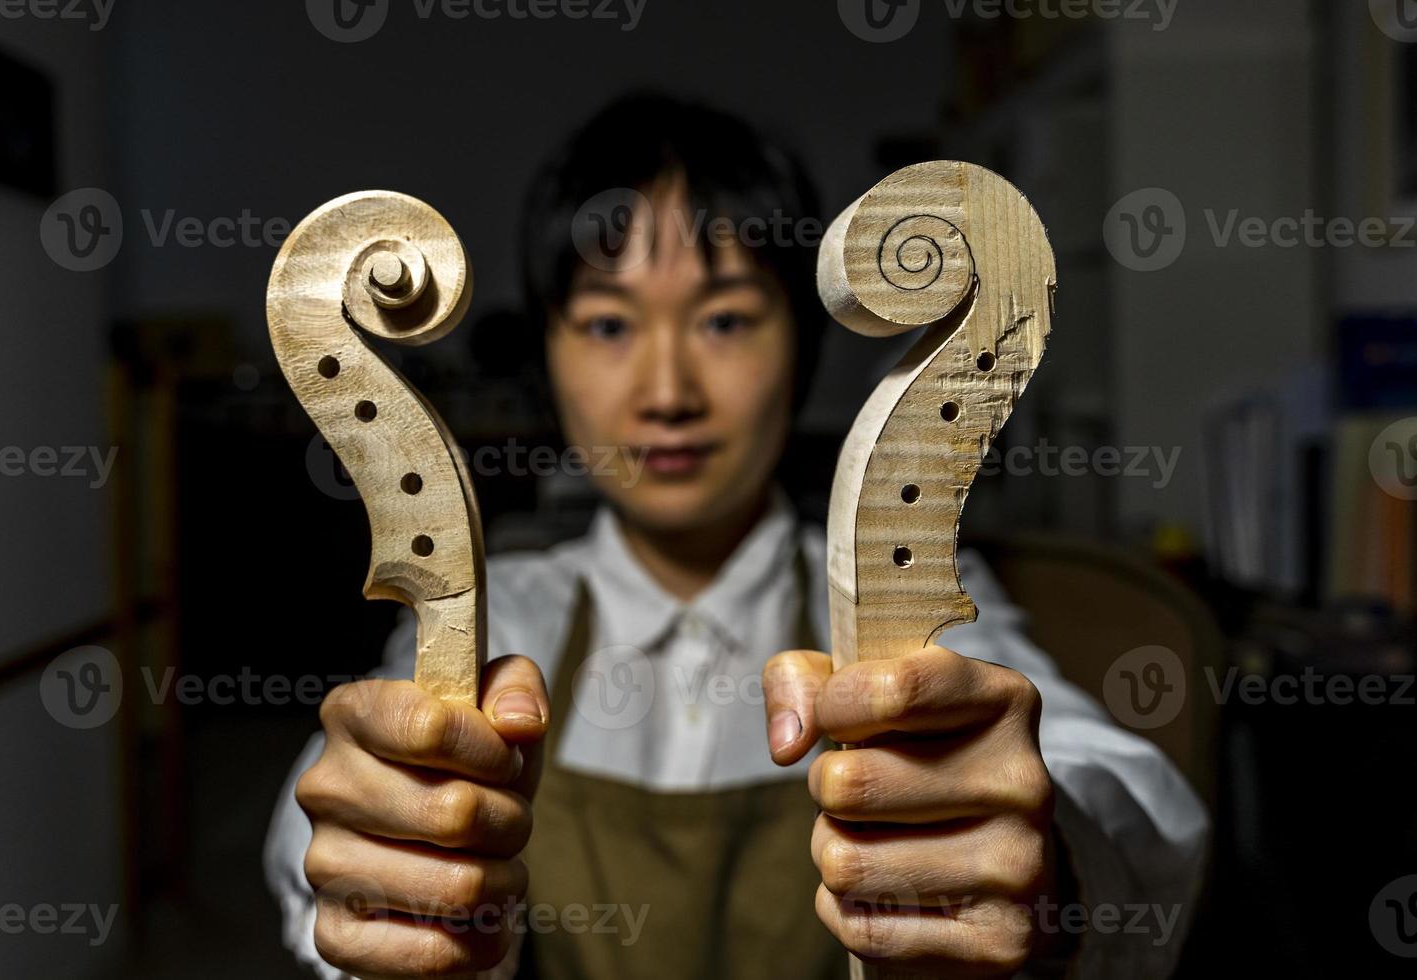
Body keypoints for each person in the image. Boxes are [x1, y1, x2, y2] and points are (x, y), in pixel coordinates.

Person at [265, 93, 1208, 979]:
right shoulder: (502, 603)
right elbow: (311, 846)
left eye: (723, 319)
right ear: (547, 354)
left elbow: (1130, 801)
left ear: (800, 340)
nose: (667, 392)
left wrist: (1048, 865)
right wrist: (376, 875)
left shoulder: (907, 592)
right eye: (606, 323)